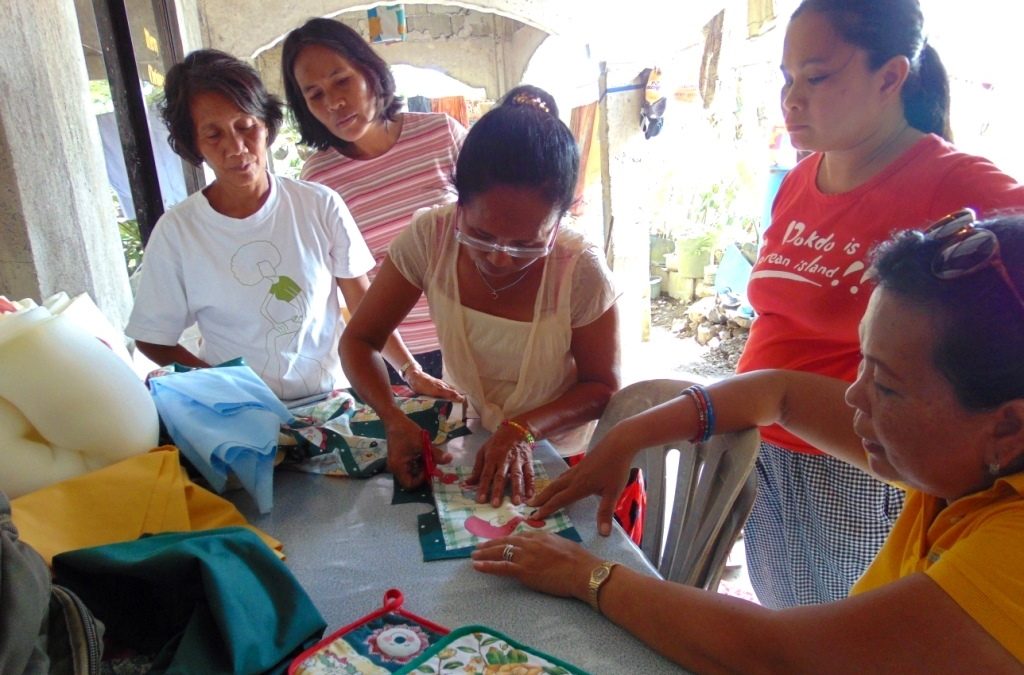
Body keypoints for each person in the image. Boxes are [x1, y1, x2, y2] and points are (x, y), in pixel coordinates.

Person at [474, 211, 1024, 671]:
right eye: (863, 366)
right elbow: (777, 393)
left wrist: (585, 575)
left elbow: (777, 655)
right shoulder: (960, 454)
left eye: (886, 386)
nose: (854, 398)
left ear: (1008, 425)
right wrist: (627, 437)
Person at [733, 0, 1024, 607]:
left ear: (890, 77)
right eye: (786, 79)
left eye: (816, 77)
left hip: (863, 468)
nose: (792, 98)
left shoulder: (957, 183)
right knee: (783, 616)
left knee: (838, 644)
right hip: (766, 451)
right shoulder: (796, 181)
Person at [340, 86, 620, 504]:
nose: (501, 259)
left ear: (561, 218)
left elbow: (602, 387)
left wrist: (522, 428)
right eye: (480, 236)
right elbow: (360, 340)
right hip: (474, 440)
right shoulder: (430, 238)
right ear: (459, 204)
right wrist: (392, 418)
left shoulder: (579, 270)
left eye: (526, 244)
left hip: (565, 456)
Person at [126, 49, 446, 404]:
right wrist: (225, 389)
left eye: (246, 127)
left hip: (334, 402)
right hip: (243, 415)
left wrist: (411, 370)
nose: (236, 148)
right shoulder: (178, 233)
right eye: (214, 135)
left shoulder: (319, 204)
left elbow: (364, 306)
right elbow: (152, 337)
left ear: (266, 125)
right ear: (194, 145)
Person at [282, 17, 467, 388]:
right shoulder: (318, 180)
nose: (334, 101)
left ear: (369, 72)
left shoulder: (441, 135)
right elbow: (349, 287)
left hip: (474, 341)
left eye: (342, 80)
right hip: (392, 360)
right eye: (315, 94)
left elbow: (496, 228)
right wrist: (407, 369)